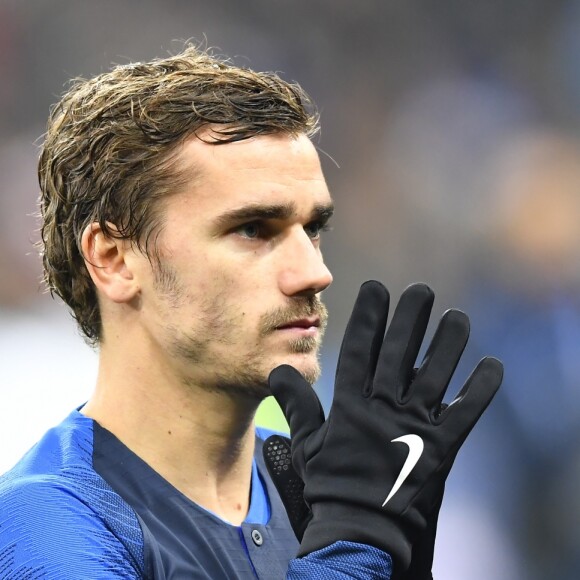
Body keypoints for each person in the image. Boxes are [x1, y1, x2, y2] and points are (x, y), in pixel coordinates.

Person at [0, 44, 502, 579]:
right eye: (253, 229)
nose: (313, 272)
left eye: (312, 229)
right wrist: (355, 548)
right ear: (115, 260)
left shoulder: (315, 488)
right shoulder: (47, 520)